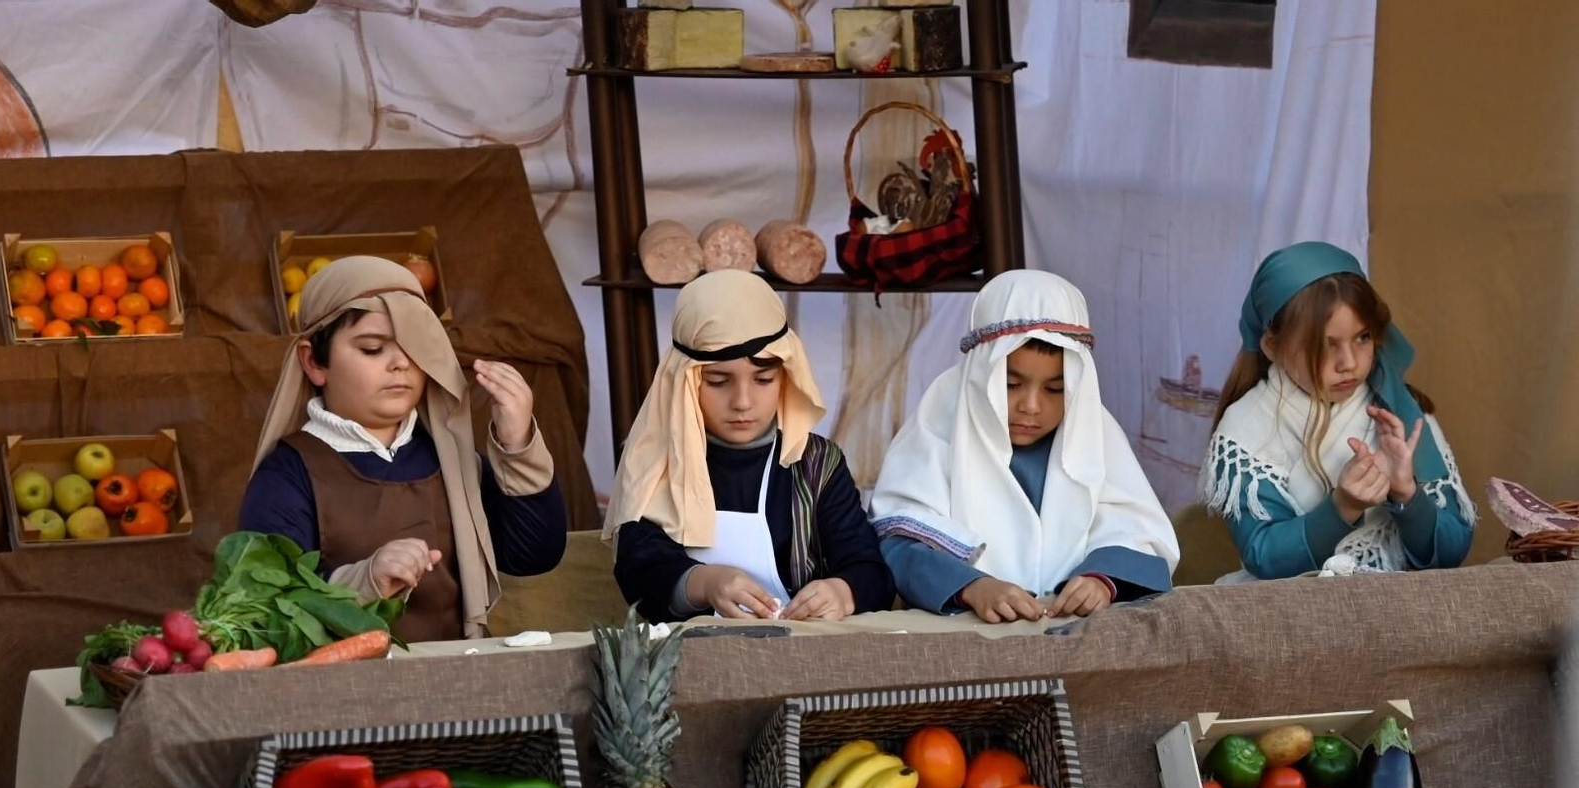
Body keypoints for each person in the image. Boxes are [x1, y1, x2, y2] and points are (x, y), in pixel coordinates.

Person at [239, 256, 566, 641]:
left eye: (414, 348)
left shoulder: (450, 461)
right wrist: (364, 580)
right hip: (338, 694)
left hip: (457, 683)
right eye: (373, 348)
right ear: (314, 362)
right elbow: (263, 610)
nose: (399, 364)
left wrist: (517, 445)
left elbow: (532, 557)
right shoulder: (288, 475)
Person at [871, 270, 1178, 622]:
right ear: (978, 375)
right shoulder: (937, 430)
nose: (1031, 406)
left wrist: (1101, 582)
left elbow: (1138, 533)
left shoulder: (1096, 435)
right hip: (965, 640)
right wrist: (972, 587)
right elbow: (899, 543)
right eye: (1011, 383)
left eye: (1055, 390)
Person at [604, 270, 894, 623]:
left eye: (763, 379)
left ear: (787, 376)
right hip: (692, 660)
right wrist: (704, 582)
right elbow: (639, 571)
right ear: (683, 381)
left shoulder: (817, 463)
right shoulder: (654, 462)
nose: (742, 402)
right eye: (718, 381)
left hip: (803, 657)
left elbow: (870, 568)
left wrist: (844, 591)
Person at [1201, 241, 1474, 580]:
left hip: (1397, 611)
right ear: (1272, 346)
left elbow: (1452, 554)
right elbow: (1264, 557)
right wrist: (1342, 507)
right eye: (1326, 346)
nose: (1349, 363)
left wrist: (1407, 494)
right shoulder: (1246, 428)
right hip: (1286, 616)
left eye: (1363, 338)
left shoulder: (1401, 412)